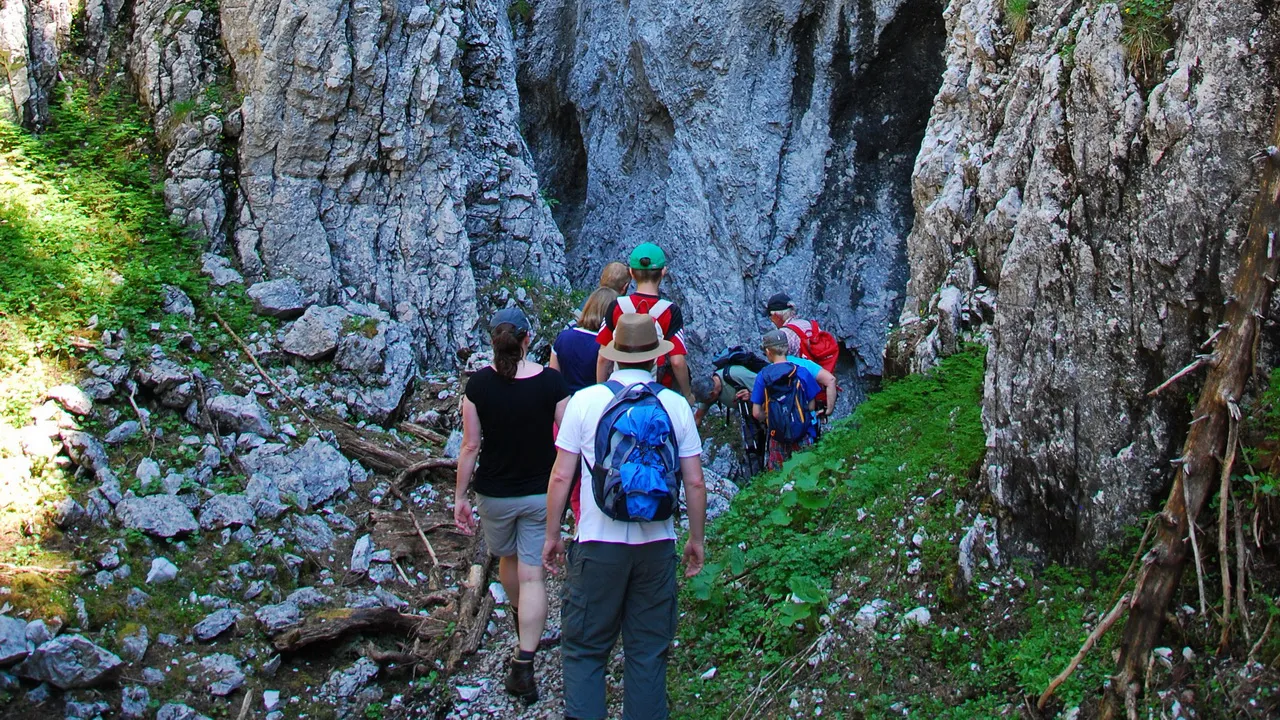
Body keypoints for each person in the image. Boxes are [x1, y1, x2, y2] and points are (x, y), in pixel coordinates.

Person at [543, 313, 708, 720]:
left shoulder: (585, 400)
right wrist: (696, 540)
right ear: (658, 358)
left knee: (584, 650)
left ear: (613, 355)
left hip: (597, 543)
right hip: (656, 546)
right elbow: (695, 483)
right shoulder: (674, 406)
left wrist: (552, 536)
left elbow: (562, 474)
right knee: (648, 653)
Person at [454, 308, 571, 705]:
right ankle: (526, 658)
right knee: (534, 574)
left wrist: (459, 498)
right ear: (526, 340)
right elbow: (569, 437)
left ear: (494, 341)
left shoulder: (478, 387)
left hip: (494, 494)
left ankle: (523, 624)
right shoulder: (551, 383)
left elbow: (470, 446)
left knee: (505, 559)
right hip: (541, 492)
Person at [596, 243, 696, 406]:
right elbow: (677, 361)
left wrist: (601, 390)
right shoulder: (670, 311)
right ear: (663, 272)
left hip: (620, 395)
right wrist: (687, 395)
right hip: (656, 395)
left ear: (631, 273)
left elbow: (602, 358)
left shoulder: (616, 306)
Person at [751, 329, 822, 469]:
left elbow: (756, 413)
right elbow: (812, 406)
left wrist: (771, 416)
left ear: (768, 351)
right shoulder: (801, 371)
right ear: (787, 348)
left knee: (779, 476)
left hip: (777, 435)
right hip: (803, 432)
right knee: (807, 470)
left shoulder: (763, 376)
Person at [550, 286, 618, 393]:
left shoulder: (563, 337)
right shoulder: (606, 345)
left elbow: (553, 378)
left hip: (566, 404)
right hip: (593, 403)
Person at [766, 292, 840, 374]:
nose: (772, 320)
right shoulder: (809, 324)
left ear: (776, 316)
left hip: (802, 381)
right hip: (823, 375)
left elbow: (780, 365)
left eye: (771, 317)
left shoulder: (783, 334)